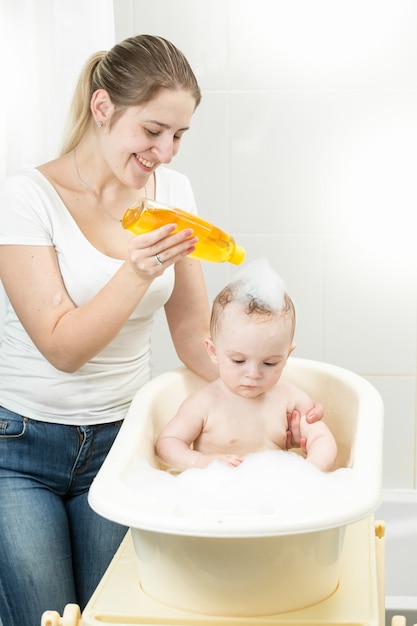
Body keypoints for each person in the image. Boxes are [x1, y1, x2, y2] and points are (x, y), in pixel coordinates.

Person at [0, 36, 322, 626]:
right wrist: (135, 272)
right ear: (103, 108)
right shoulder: (24, 198)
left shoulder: (171, 193)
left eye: (179, 135)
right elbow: (62, 348)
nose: (166, 152)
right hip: (20, 447)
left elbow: (193, 334)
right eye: (153, 131)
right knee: (45, 614)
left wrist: (274, 394)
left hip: (123, 439)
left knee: (120, 611)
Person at [156, 259, 337, 473]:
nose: (253, 374)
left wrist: (309, 470)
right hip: (216, 490)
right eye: (238, 361)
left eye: (270, 363)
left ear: (287, 355)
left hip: (276, 492)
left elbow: (322, 439)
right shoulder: (203, 403)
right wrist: (202, 461)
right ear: (213, 351)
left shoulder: (290, 399)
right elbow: (168, 443)